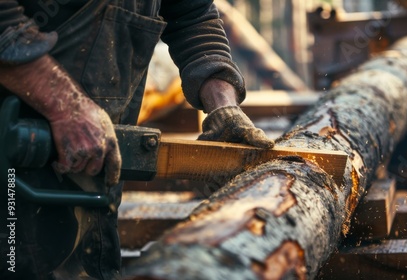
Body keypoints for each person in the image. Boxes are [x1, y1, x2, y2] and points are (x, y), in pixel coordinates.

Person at [0, 1, 274, 279]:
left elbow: (192, 13)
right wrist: (64, 105)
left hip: (96, 180)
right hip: (13, 173)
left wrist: (223, 106)